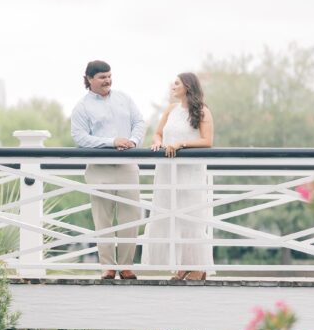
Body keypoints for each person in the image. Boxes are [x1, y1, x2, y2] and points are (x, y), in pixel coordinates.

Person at [70, 60, 146, 280]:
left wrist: (132, 141)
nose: (107, 80)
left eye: (109, 76)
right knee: (103, 218)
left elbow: (140, 122)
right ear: (89, 79)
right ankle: (108, 267)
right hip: (100, 168)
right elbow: (80, 138)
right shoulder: (82, 107)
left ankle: (126, 266)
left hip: (127, 167)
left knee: (130, 216)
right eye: (102, 77)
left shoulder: (124, 99)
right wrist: (112, 142)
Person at [142, 72, 214, 281]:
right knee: (172, 216)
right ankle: (183, 265)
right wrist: (157, 142)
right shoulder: (171, 110)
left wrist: (181, 144)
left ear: (188, 87)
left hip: (189, 171)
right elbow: (158, 133)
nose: (172, 87)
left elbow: (207, 141)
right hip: (167, 172)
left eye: (176, 83)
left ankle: (198, 267)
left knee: (191, 217)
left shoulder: (202, 112)